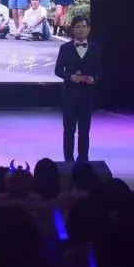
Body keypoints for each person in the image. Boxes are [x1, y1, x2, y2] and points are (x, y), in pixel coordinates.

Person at [55, 15, 101, 162]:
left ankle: (83, 160)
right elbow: (58, 70)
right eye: (78, 27)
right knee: (69, 130)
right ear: (72, 29)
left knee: (84, 130)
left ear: (89, 29)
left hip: (87, 95)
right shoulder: (65, 48)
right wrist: (70, 77)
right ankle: (68, 160)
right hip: (70, 95)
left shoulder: (95, 49)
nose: (81, 30)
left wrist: (94, 79)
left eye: (84, 27)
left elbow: (100, 71)